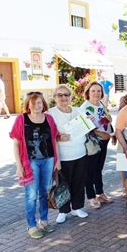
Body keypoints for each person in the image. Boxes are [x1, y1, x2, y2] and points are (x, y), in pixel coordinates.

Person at [9, 92, 60, 238]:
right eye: (33, 103)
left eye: (39, 103)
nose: (36, 106)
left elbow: (54, 140)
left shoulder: (49, 118)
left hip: (48, 160)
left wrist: (58, 160)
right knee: (31, 195)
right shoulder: (22, 119)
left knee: (44, 192)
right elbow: (16, 143)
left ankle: (43, 221)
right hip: (30, 162)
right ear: (28, 105)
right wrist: (19, 166)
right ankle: (31, 226)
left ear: (43, 104)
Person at [48, 85, 89, 223]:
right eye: (60, 95)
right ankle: (63, 211)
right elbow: (48, 135)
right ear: (54, 98)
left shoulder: (78, 110)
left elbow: (86, 128)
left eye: (66, 95)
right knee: (63, 184)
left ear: (70, 96)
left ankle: (77, 207)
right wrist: (58, 137)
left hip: (80, 153)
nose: (63, 98)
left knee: (79, 182)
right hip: (63, 156)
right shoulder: (50, 113)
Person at [80, 81, 116, 209]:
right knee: (90, 171)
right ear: (88, 93)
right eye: (93, 91)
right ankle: (91, 197)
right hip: (93, 142)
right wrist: (100, 134)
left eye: (99, 91)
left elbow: (106, 119)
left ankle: (100, 193)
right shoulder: (84, 107)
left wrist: (111, 134)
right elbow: (84, 126)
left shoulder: (100, 104)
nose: (96, 93)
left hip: (104, 141)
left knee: (98, 169)